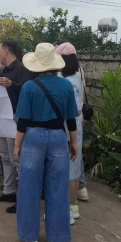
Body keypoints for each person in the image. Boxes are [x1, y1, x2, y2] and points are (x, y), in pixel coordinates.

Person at [14, 43, 78, 242]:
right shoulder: (66, 86)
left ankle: (29, 235)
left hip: (33, 137)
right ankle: (55, 238)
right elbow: (71, 120)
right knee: (58, 187)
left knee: (29, 186)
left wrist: (17, 145)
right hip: (59, 137)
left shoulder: (29, 87)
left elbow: (23, 121)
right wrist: (73, 142)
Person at [0, 40, 34, 213]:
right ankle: (9, 191)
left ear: (6, 51)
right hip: (2, 115)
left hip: (14, 117)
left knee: (16, 158)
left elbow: (28, 92)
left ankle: (22, 198)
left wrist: (11, 84)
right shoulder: (3, 69)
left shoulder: (21, 69)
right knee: (5, 156)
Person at [55, 42, 84, 224]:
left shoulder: (67, 81)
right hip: (74, 126)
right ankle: (73, 207)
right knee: (73, 168)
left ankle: (67, 210)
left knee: (69, 170)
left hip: (69, 127)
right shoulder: (75, 76)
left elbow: (75, 110)